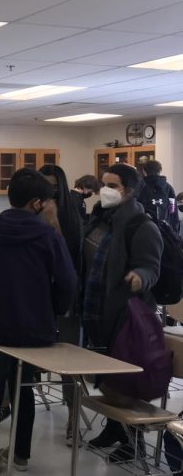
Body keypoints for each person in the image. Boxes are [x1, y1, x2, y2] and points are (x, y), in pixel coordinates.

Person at [0, 169, 76, 476]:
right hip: (33, 328)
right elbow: (68, 282)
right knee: (24, 390)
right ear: (37, 203)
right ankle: (20, 456)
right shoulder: (48, 236)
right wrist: (51, 308)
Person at [83, 163, 163, 457]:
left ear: (128, 190)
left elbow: (151, 266)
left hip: (125, 315)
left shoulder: (141, 225)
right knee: (106, 378)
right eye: (103, 183)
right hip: (97, 310)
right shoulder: (101, 220)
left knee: (126, 381)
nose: (105, 190)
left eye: (112, 185)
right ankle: (113, 428)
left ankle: (134, 443)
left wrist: (139, 276)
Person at [39, 163, 84, 444]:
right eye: (45, 185)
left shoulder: (71, 215)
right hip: (37, 297)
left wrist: (53, 222)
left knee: (69, 361)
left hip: (65, 296)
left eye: (54, 185)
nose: (50, 190)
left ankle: (73, 416)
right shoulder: (30, 213)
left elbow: (70, 258)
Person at [137, 160, 180, 233]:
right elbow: (172, 211)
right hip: (165, 230)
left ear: (144, 171)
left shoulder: (139, 187)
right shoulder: (168, 188)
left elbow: (136, 208)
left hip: (143, 229)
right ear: (159, 171)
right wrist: (174, 231)